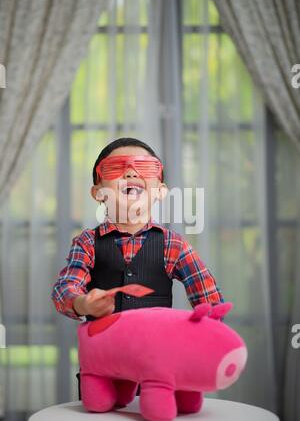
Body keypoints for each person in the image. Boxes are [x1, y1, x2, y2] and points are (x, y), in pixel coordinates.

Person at [51, 137, 224, 401]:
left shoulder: (173, 244)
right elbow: (64, 290)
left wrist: (193, 337)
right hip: (102, 372)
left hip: (158, 372)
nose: (130, 172)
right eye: (115, 168)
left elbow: (210, 302)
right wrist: (83, 303)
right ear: (98, 192)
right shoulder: (87, 243)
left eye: (145, 168)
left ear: (160, 190)